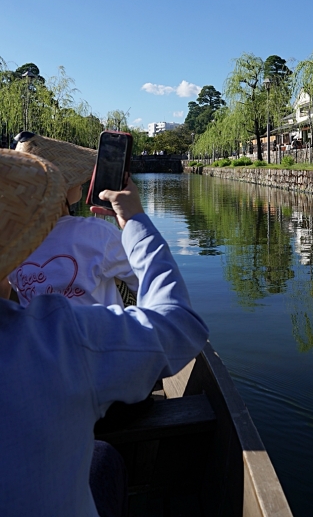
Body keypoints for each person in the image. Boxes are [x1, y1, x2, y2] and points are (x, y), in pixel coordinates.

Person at [0, 150, 209, 516]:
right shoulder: (58, 337)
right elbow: (180, 324)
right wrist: (134, 221)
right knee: (103, 457)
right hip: (109, 395)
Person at [7, 132, 138, 307]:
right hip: (99, 333)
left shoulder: (11, 245)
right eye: (76, 179)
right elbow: (145, 278)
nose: (82, 182)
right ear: (63, 188)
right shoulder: (98, 233)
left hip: (40, 333)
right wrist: (136, 220)